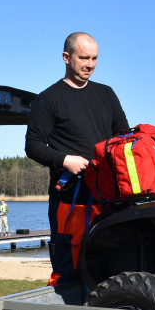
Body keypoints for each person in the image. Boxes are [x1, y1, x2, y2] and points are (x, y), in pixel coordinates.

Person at [25, 32, 128, 284]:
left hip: (107, 196)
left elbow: (123, 138)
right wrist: (64, 160)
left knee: (109, 263)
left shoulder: (107, 94)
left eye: (94, 58)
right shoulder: (48, 99)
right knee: (69, 266)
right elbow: (33, 146)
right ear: (66, 57)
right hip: (69, 197)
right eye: (83, 58)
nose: (90, 64)